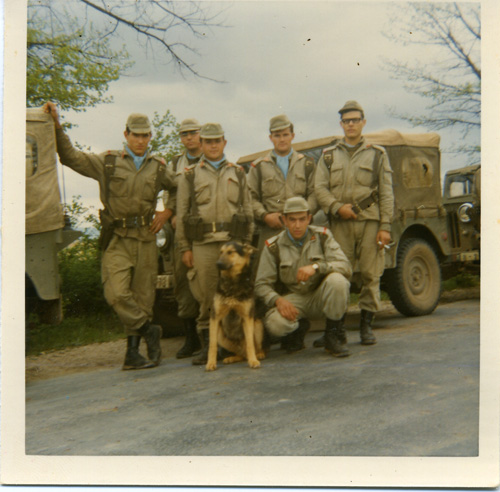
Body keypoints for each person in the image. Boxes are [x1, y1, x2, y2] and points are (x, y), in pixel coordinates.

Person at [44, 102, 176, 370]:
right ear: (126, 134)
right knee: (116, 293)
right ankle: (149, 330)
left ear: (150, 137)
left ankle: (133, 354)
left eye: (145, 135)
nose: (140, 140)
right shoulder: (108, 162)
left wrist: (167, 212)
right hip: (117, 238)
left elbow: (179, 187)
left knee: (143, 297)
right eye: (135, 135)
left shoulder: (158, 167)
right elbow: (70, 157)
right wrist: (56, 126)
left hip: (146, 237)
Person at [314, 100, 394, 346]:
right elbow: (320, 188)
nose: (351, 125)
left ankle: (366, 326)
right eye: (346, 121)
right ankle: (336, 328)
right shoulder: (328, 156)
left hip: (370, 222)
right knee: (339, 274)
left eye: (355, 120)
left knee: (371, 274)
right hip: (340, 223)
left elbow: (386, 192)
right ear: (341, 124)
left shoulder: (377, 154)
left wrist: (385, 226)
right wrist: (337, 207)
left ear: (363, 122)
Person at [175, 123, 254, 365]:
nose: (212, 145)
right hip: (204, 244)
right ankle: (208, 345)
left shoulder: (238, 173)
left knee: (236, 296)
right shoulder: (190, 175)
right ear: (201, 144)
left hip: (232, 243)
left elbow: (247, 209)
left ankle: (230, 344)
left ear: (224, 143)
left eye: (217, 141)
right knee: (207, 296)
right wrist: (185, 247)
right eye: (208, 141)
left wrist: (246, 244)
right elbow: (181, 213)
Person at [255, 197, 352, 357]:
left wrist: (316, 267)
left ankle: (333, 335)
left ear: (309, 218)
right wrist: (278, 300)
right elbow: (261, 284)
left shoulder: (322, 236)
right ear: (284, 220)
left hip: (320, 295)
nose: (297, 225)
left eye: (302, 219)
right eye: (292, 220)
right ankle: (299, 327)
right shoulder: (273, 246)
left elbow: (345, 266)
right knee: (275, 324)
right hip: (295, 299)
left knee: (338, 281)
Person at [162, 119, 203, 359]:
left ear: (200, 135)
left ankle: (210, 336)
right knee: (182, 281)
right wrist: (172, 214)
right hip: (183, 231)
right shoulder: (176, 163)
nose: (189, 137)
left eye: (193, 133)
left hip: (206, 229)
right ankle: (191, 338)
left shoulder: (213, 158)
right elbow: (170, 192)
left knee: (208, 280)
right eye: (184, 134)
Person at [247, 114, 317, 252]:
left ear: (292, 136)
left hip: (301, 232)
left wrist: (302, 216)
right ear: (270, 138)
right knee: (268, 265)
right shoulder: (259, 167)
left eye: (285, 135)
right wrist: (265, 216)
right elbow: (250, 198)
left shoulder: (306, 164)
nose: (282, 139)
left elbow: (314, 193)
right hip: (271, 230)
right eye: (277, 135)